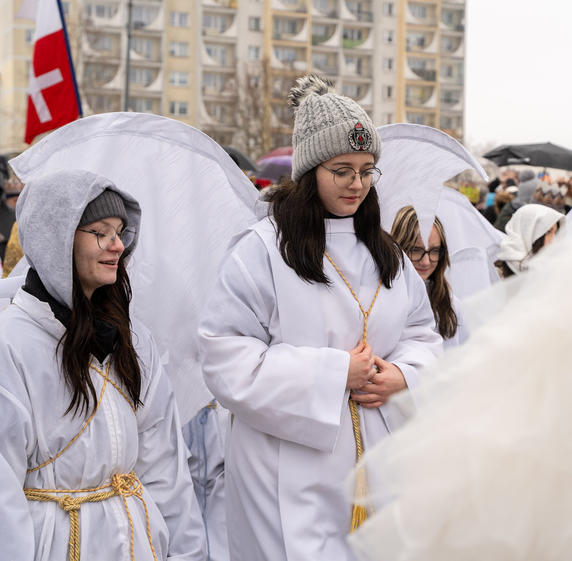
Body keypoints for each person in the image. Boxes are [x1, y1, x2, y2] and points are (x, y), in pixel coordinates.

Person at [198, 75, 442, 560]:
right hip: (285, 467)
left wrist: (403, 375)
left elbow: (422, 333)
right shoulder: (263, 250)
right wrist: (333, 375)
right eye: (342, 170)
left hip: (376, 456)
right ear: (310, 170)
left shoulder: (386, 253)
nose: (357, 184)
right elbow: (224, 355)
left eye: (367, 170)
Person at [0, 169, 207, 560]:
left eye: (120, 232)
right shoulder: (0, 356)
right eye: (101, 232)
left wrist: (185, 554)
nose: (116, 246)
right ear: (56, 239)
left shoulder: (133, 340)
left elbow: (165, 471)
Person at [391, 205, 467, 348]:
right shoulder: (380, 297)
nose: (425, 262)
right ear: (398, 248)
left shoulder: (449, 303)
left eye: (434, 251)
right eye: (416, 250)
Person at [495, 203, 564, 278]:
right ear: (527, 231)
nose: (554, 240)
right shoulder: (495, 275)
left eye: (555, 233)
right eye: (548, 232)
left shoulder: (555, 269)